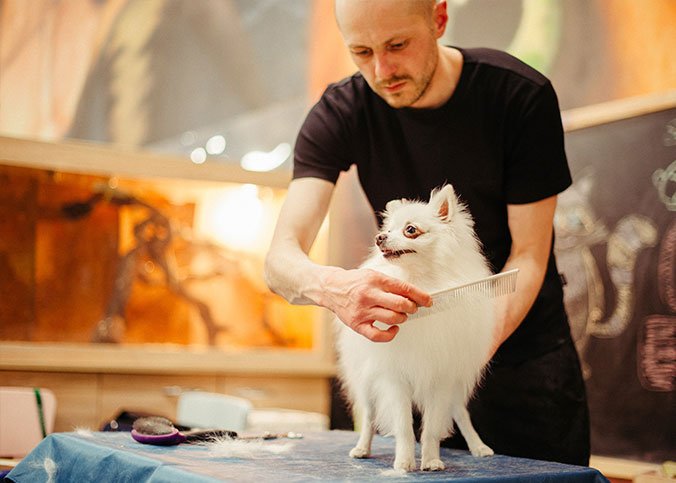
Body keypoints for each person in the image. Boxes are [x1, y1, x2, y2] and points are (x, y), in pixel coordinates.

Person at [264, 0, 590, 466]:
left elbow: (530, 254)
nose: (382, 70)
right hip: (410, 359)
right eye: (361, 51)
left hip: (523, 364)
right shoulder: (341, 111)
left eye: (398, 45)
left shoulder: (519, 96)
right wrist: (335, 289)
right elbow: (280, 259)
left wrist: (464, 348)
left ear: (439, 19)